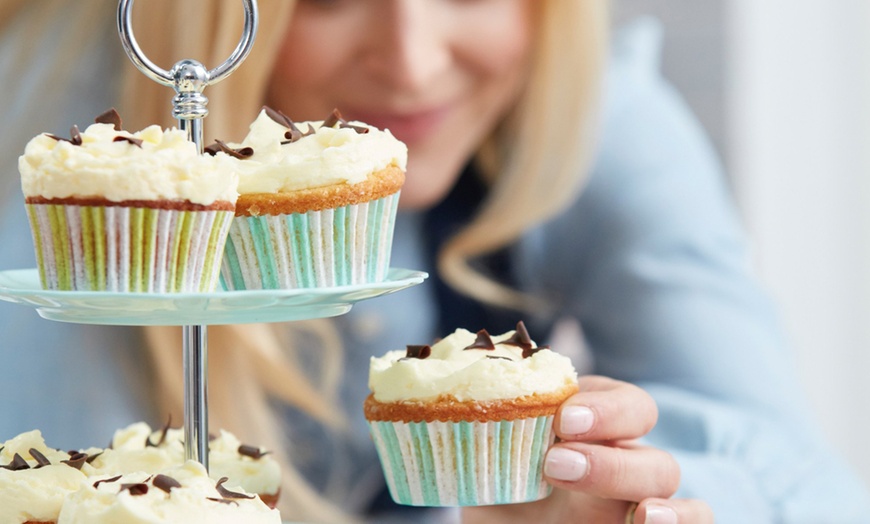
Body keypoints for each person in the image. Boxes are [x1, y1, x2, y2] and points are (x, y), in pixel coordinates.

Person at [0, 1, 867, 522]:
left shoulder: (590, 110)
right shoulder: (72, 145)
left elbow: (809, 485)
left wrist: (635, 488)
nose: (412, 64)